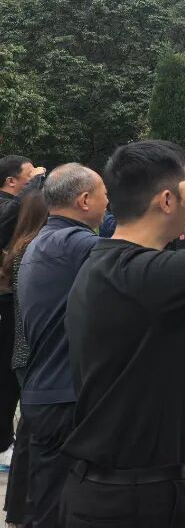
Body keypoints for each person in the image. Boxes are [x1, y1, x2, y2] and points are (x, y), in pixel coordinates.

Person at [61, 140, 185, 528]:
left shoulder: (111, 265)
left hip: (118, 490)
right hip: (129, 502)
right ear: (167, 200)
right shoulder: (137, 276)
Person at [17, 164, 108, 527]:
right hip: (64, 397)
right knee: (62, 506)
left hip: (45, 390)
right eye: (104, 194)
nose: (108, 201)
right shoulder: (79, 245)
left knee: (49, 500)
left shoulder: (43, 240)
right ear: (84, 200)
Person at [0, 189, 47, 525]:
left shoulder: (20, 247)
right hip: (30, 350)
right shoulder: (34, 250)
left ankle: (19, 509)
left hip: (23, 349)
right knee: (35, 434)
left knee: (30, 430)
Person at [0, 155, 47, 250]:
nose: (34, 177)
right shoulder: (8, 205)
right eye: (30, 175)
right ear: (11, 181)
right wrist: (36, 178)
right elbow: (9, 212)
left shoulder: (24, 204)